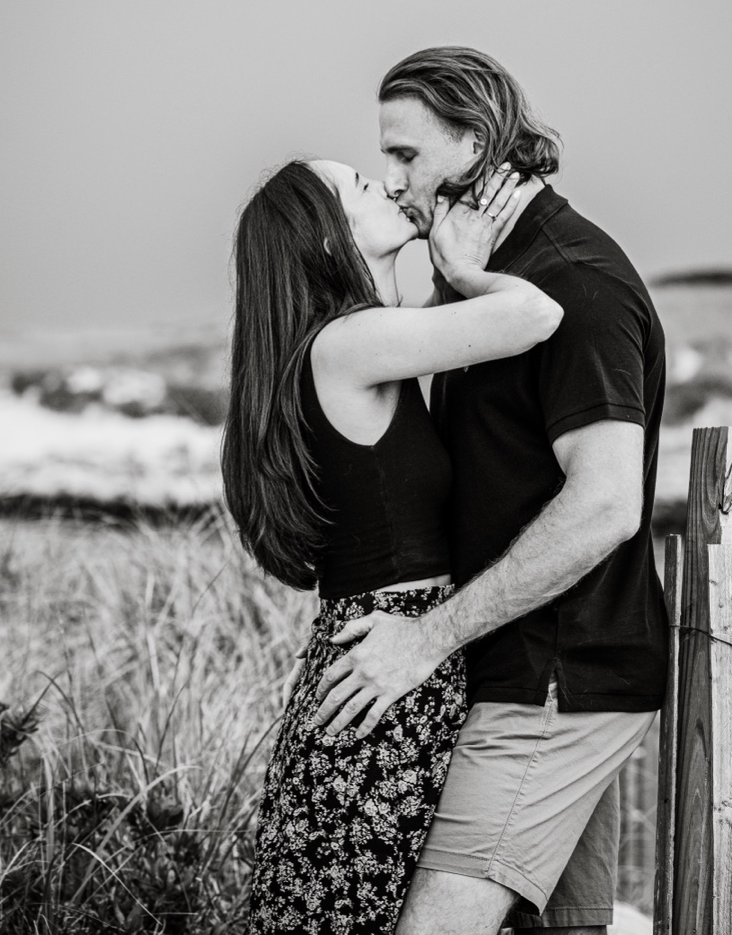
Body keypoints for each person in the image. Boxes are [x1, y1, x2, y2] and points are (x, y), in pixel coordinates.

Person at [307, 47, 668, 935]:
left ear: (473, 143)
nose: (392, 182)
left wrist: (425, 641)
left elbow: (608, 505)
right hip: (518, 672)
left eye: (406, 156)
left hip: (554, 681)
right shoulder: (493, 287)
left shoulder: (574, 284)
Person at [228, 153, 562, 934]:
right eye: (355, 186)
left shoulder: (332, 346)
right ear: (323, 236)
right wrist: (466, 269)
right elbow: (537, 316)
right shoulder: (351, 342)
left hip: (369, 660)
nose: (381, 183)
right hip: (391, 671)